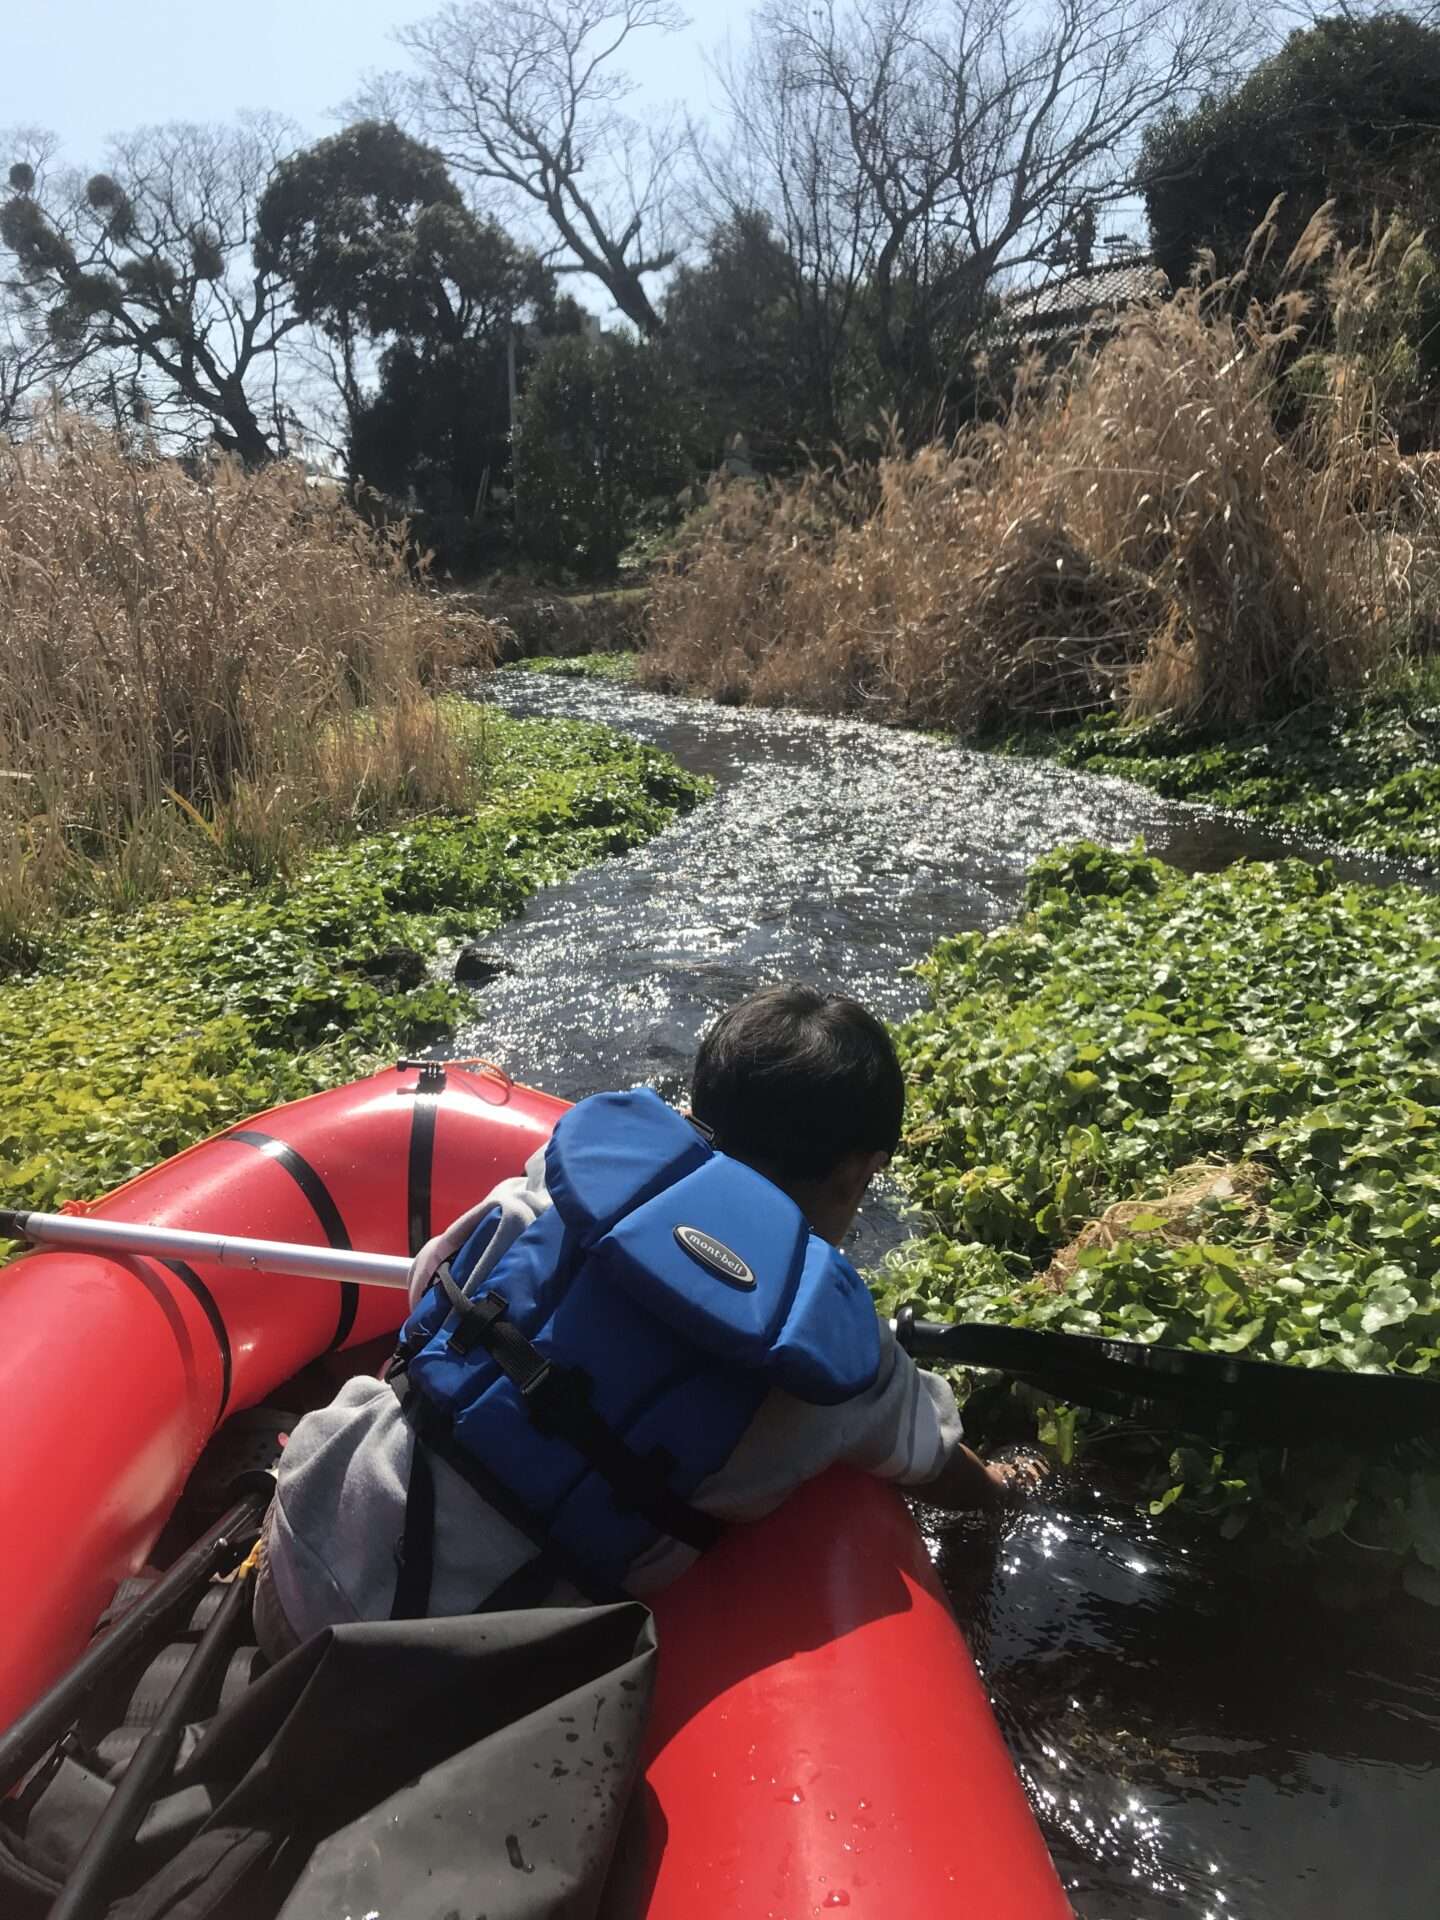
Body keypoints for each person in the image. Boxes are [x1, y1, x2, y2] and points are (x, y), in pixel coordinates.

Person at [252, 985, 1036, 1661]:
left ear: (695, 1113)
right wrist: (1005, 1488)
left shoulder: (561, 1182)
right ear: (853, 1175)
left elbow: (434, 1283)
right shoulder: (834, 1368)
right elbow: (935, 1461)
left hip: (293, 1557)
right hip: (422, 1684)